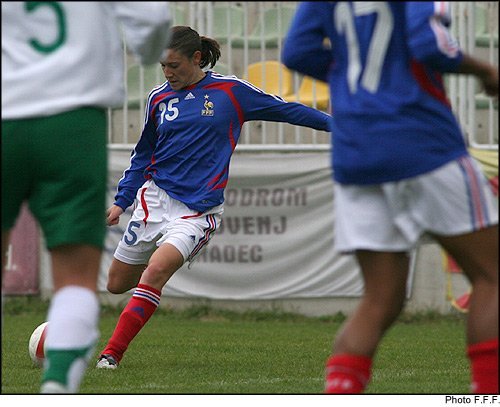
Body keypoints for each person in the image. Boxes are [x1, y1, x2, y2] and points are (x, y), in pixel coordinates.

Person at [282, 1, 498, 395]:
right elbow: (429, 44)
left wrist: (351, 75)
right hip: (421, 139)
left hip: (357, 151)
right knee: (492, 275)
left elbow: (296, 51)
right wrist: (485, 70)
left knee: (380, 298)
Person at [95, 25, 332, 369]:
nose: (167, 73)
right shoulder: (158, 98)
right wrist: (122, 201)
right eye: (163, 66)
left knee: (156, 272)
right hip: (155, 200)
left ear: (196, 58)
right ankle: (158, 259)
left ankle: (110, 355)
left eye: (174, 65)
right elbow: (143, 154)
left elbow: (288, 110)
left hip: (198, 211)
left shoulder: (231, 92)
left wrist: (339, 125)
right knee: (117, 284)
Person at [1, 2, 171, 393]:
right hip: (73, 119)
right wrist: (148, 51)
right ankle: (58, 386)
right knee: (75, 278)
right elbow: (153, 20)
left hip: (6, 108)